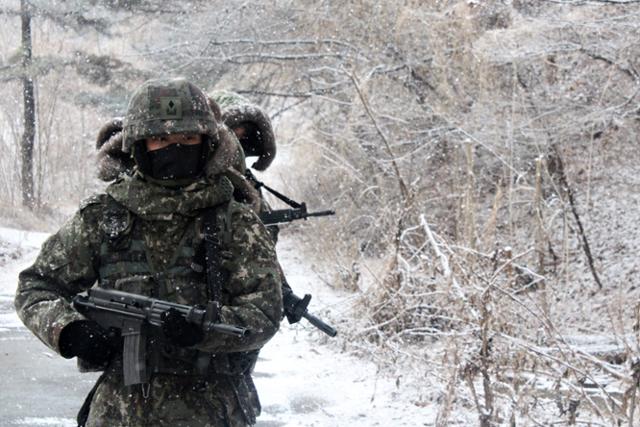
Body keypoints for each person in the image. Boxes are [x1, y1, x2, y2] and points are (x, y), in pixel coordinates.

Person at [14, 78, 283, 426]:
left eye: (187, 139)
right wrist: (69, 330)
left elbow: (264, 311)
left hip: (213, 408)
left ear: (207, 142)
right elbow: (35, 287)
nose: (174, 148)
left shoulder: (235, 221)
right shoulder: (105, 216)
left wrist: (207, 329)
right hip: (119, 412)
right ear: (139, 145)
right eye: (160, 140)